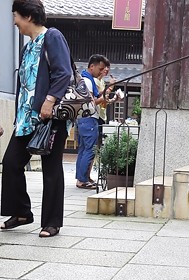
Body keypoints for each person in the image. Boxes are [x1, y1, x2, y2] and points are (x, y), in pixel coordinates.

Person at [0, 0, 72, 238]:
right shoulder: (27, 47)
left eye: (16, 16)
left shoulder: (52, 37)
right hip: (26, 118)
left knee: (51, 169)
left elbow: (63, 72)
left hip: (49, 118)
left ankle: (52, 223)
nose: (14, 22)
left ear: (28, 16)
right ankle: (21, 212)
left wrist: (49, 101)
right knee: (11, 164)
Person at [75, 54, 108, 189]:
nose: (101, 72)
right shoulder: (87, 81)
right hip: (89, 118)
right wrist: (104, 97)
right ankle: (82, 180)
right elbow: (90, 102)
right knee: (90, 149)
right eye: (100, 69)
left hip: (82, 119)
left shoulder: (84, 78)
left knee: (83, 149)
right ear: (92, 66)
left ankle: (82, 178)